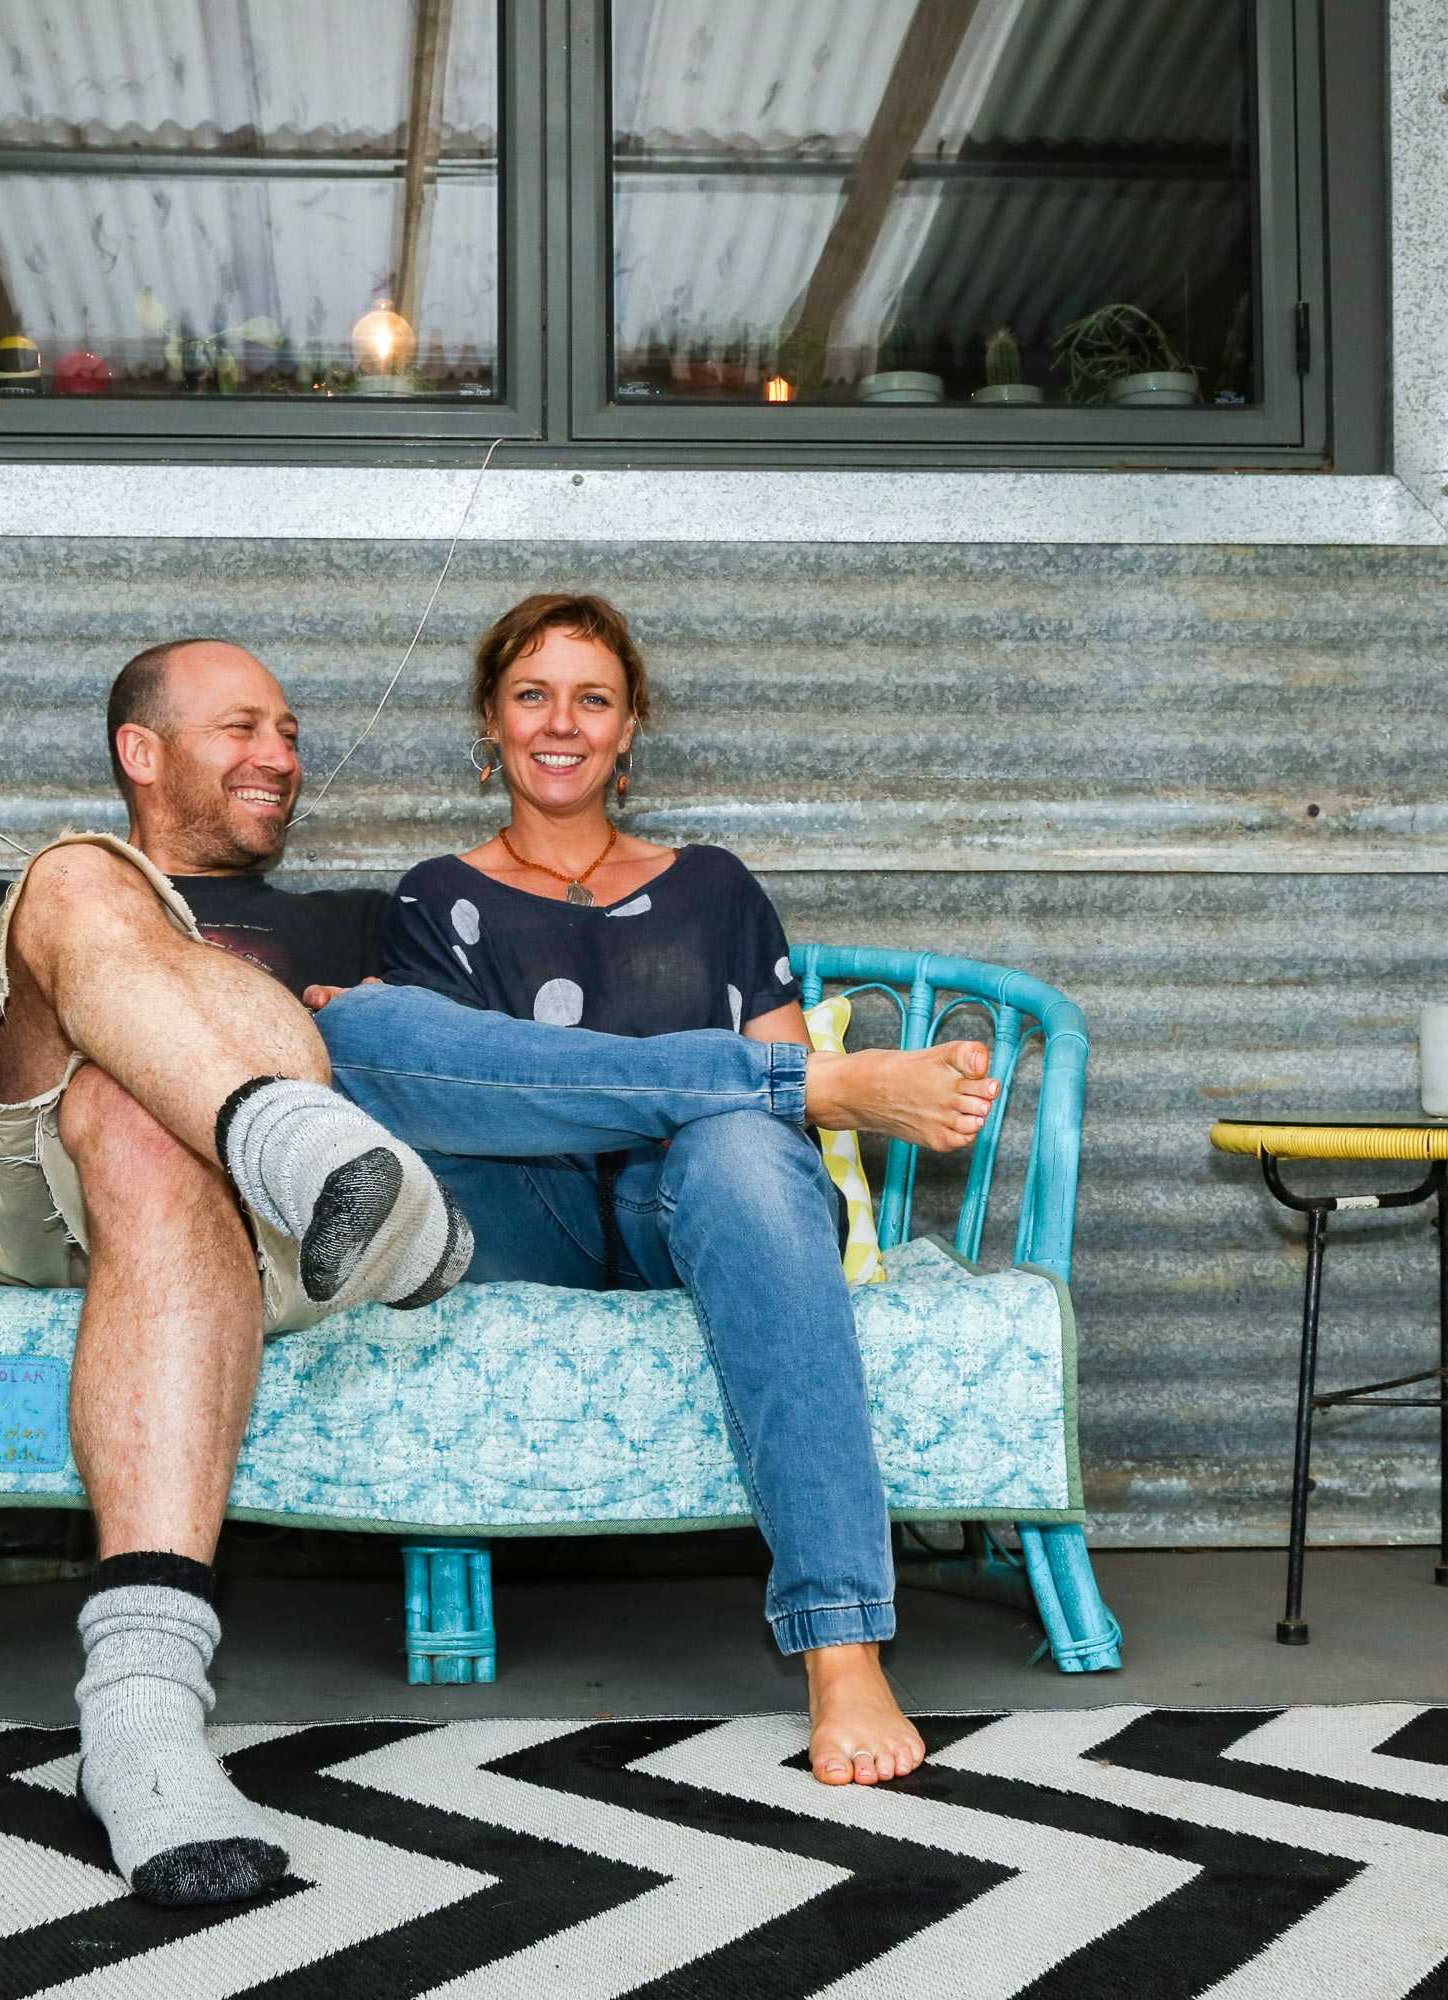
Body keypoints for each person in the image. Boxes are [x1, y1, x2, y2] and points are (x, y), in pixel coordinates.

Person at [0, 635, 999, 1905]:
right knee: (84, 890)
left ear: (633, 729)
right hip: (20, 1150)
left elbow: (446, 1064)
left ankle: (140, 1712)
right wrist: (134, 1023)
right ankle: (289, 1131)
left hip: (227, 1197)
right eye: (244, 728)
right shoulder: (13, 903)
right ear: (142, 748)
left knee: (305, 1049)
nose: (280, 755)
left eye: (289, 731)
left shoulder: (352, 921)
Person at [307, 591, 995, 1788]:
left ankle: (843, 1643)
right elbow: (475, 1093)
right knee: (366, 1028)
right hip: (527, 1206)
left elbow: (775, 1139)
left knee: (738, 1140)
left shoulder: (713, 887)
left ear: (631, 730)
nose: (560, 723)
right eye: (532, 695)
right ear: (490, 721)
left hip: (704, 1212)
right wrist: (755, 1081)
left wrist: (729, 1106)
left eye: (592, 698)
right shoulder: (433, 894)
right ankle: (777, 1079)